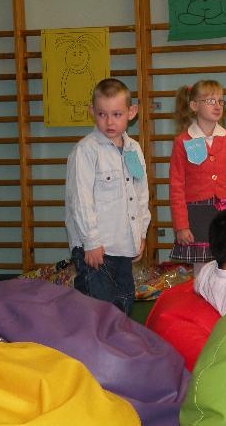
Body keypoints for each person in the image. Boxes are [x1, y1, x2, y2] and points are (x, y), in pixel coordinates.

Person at [65, 78, 151, 315]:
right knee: (98, 310)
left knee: (124, 303)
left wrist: (141, 233)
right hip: (96, 249)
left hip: (123, 244)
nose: (110, 121)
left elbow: (141, 194)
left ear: (131, 113)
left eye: (117, 114)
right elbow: (80, 200)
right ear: (92, 112)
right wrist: (91, 242)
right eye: (102, 114)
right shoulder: (85, 151)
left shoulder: (134, 149)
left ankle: (119, 338)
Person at [169, 80, 226, 273]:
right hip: (198, 216)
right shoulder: (183, 141)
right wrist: (181, 225)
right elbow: (176, 186)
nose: (217, 105)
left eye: (220, 101)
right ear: (194, 105)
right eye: (210, 101)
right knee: (203, 270)